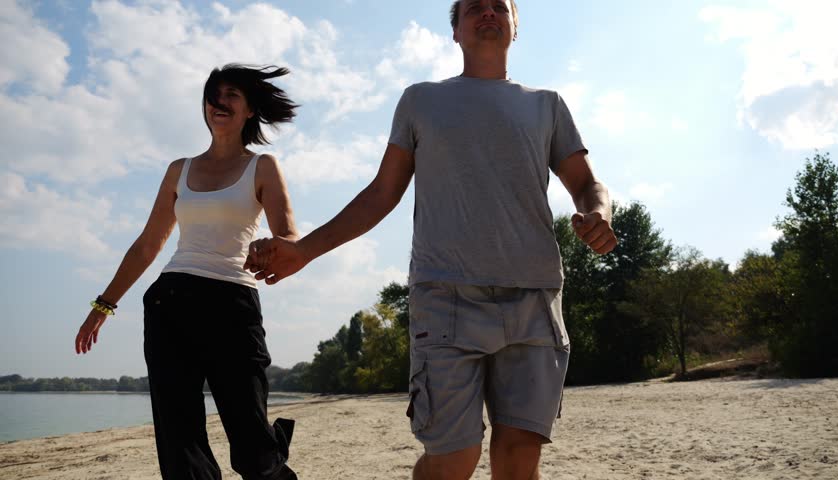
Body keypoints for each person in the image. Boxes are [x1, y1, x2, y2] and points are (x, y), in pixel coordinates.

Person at [245, 0, 617, 478]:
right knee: (452, 458)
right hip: (445, 299)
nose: (487, 13)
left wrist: (597, 211)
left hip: (535, 298)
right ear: (455, 32)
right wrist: (304, 250)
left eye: (499, 8)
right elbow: (382, 193)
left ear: (515, 27)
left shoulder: (546, 104)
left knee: (519, 458)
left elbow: (587, 184)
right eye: (473, 9)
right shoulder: (420, 100)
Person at [75, 64, 300, 480]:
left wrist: (267, 248)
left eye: (232, 94)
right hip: (170, 302)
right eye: (213, 95)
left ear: (250, 108)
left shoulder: (262, 166)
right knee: (180, 441)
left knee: (251, 439)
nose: (219, 102)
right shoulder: (179, 169)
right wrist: (103, 305)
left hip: (232, 303)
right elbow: (148, 244)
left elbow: (287, 234)